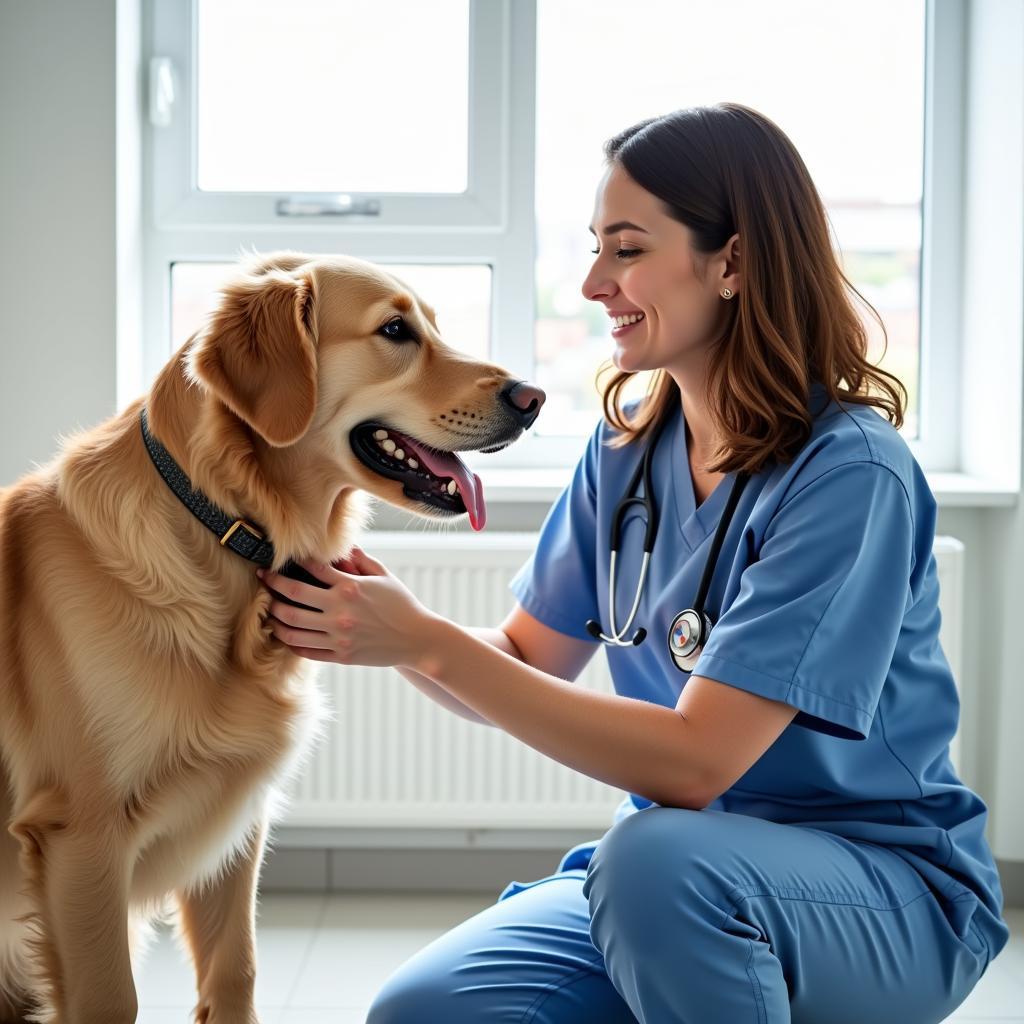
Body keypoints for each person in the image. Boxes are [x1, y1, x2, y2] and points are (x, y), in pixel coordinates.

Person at [256, 103, 1009, 1023]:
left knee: (653, 861)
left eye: (625, 250)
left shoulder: (850, 474)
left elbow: (696, 766)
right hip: (679, 876)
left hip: (880, 893)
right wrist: (390, 632)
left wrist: (430, 643)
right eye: (594, 248)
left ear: (730, 261)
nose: (590, 283)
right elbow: (528, 661)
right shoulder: (625, 455)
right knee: (425, 1011)